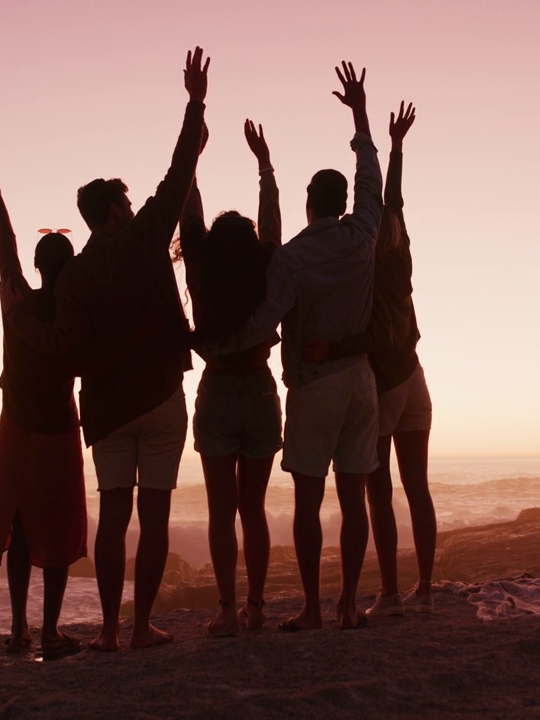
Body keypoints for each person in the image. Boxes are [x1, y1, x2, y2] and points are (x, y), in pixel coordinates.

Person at [5, 47, 209, 650]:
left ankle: (112, 631)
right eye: (125, 198)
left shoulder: (79, 276)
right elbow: (178, 174)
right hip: (162, 399)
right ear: (117, 209)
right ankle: (143, 625)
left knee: (114, 516)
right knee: (155, 517)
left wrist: (22, 329)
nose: (130, 203)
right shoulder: (148, 234)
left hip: (108, 411)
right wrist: (195, 103)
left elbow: (63, 345)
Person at [207, 62, 382, 631]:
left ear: (311, 201)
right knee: (354, 499)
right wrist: (358, 112)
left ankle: (311, 608)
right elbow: (371, 172)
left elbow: (267, 318)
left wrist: (221, 343)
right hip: (362, 382)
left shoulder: (293, 257)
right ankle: (349, 606)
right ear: (342, 201)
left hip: (317, 383)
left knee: (309, 501)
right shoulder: (363, 236)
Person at [304, 102, 437, 617]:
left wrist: (332, 349)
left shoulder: (368, 262)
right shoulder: (401, 256)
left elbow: (369, 338)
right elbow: (392, 198)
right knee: (418, 489)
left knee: (378, 495)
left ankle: (387, 594)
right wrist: (395, 145)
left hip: (383, 385)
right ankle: (423, 591)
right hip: (416, 381)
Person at [0, 126, 87, 661]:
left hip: (15, 428)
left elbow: (4, 236)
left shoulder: (16, 300)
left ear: (38, 267)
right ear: (72, 267)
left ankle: (18, 631)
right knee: (58, 534)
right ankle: (51, 631)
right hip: (59, 431)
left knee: (18, 528)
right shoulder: (73, 315)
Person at [178, 120, 282, 636]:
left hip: (217, 390)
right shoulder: (265, 271)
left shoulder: (201, 270)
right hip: (261, 390)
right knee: (254, 510)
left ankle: (225, 611)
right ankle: (257, 607)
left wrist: (194, 159)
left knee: (222, 512)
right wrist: (264, 165)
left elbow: (188, 212)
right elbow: (272, 228)